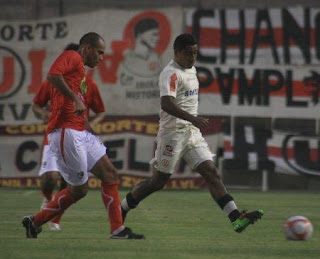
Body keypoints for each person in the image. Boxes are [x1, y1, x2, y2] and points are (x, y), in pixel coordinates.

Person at [120, 33, 264, 234]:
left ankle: (235, 218)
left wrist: (192, 123)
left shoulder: (191, 69)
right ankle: (122, 208)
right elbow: (166, 103)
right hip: (172, 134)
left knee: (212, 173)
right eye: (188, 53)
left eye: (195, 53)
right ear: (177, 53)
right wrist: (193, 118)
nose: (193, 57)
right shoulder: (170, 73)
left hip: (191, 133)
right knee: (158, 181)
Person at [22, 32, 144, 239]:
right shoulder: (72, 56)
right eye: (99, 52)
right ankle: (35, 221)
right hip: (65, 132)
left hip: (80, 131)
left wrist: (89, 127)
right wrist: (75, 100)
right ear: (86, 48)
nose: (102, 57)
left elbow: (77, 102)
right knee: (79, 190)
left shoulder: (83, 75)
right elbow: (52, 75)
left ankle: (118, 229)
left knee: (110, 174)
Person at [32, 43, 106, 231]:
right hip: (58, 133)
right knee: (51, 178)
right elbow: (36, 104)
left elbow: (101, 111)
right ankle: (48, 200)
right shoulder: (52, 82)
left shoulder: (89, 84)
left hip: (78, 135)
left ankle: (55, 219)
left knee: (74, 184)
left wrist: (91, 126)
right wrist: (44, 114)